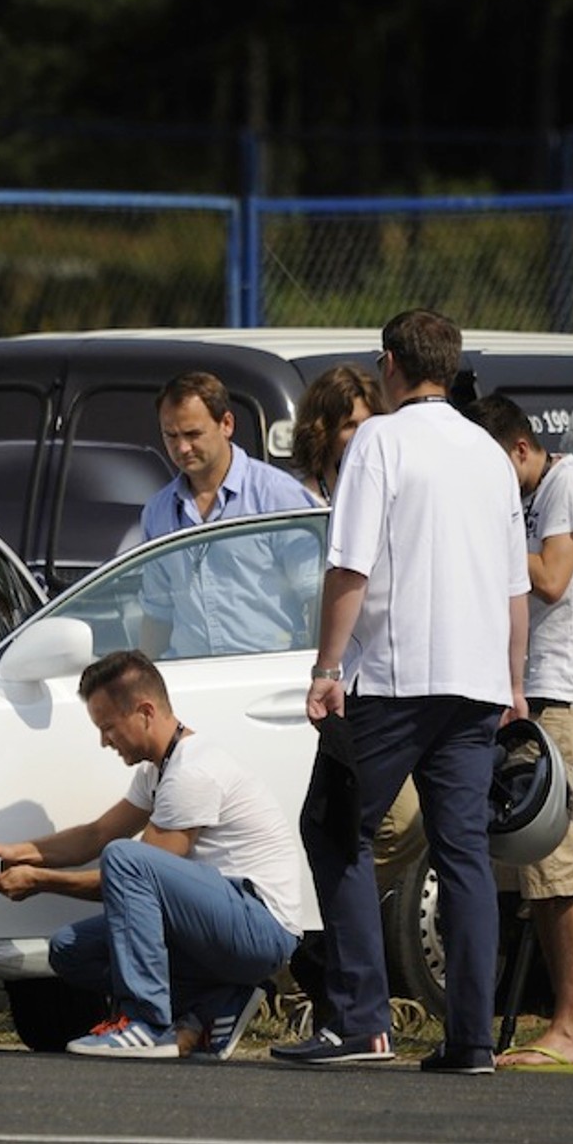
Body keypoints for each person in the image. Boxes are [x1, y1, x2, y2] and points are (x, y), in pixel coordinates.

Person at [286, 309, 529, 1074]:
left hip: (394, 679)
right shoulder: (490, 454)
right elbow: (517, 588)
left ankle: (360, 1019)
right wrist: (514, 683)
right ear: (451, 368)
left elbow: (350, 564)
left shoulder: (380, 441)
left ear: (390, 363)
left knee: (334, 830)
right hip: (475, 680)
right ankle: (471, 1039)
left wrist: (328, 668)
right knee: (462, 856)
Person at [0, 650, 303, 1058]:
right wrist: (14, 853)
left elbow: (130, 879)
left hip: (259, 927)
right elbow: (96, 834)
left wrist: (40, 882)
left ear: (145, 711)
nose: (103, 740)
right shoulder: (157, 771)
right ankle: (214, 1002)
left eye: (108, 726)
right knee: (70, 949)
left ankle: (146, 1022)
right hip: (221, 928)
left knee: (125, 858)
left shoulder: (193, 772)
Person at [463, 394, 573, 1070]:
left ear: (520, 448)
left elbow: (552, 578)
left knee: (566, 863)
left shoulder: (569, 483)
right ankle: (564, 1023)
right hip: (537, 697)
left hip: (570, 698)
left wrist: (482, 532)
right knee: (541, 874)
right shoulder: (532, 493)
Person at [136, 371, 318, 659]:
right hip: (190, 677)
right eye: (170, 435)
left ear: (227, 424)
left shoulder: (277, 495)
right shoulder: (157, 512)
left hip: (267, 675)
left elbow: (316, 595)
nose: (182, 447)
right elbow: (158, 614)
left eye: (193, 434)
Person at [290, 363, 386, 505]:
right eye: (349, 425)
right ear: (323, 434)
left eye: (368, 423)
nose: (362, 434)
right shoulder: (302, 500)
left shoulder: (388, 492)